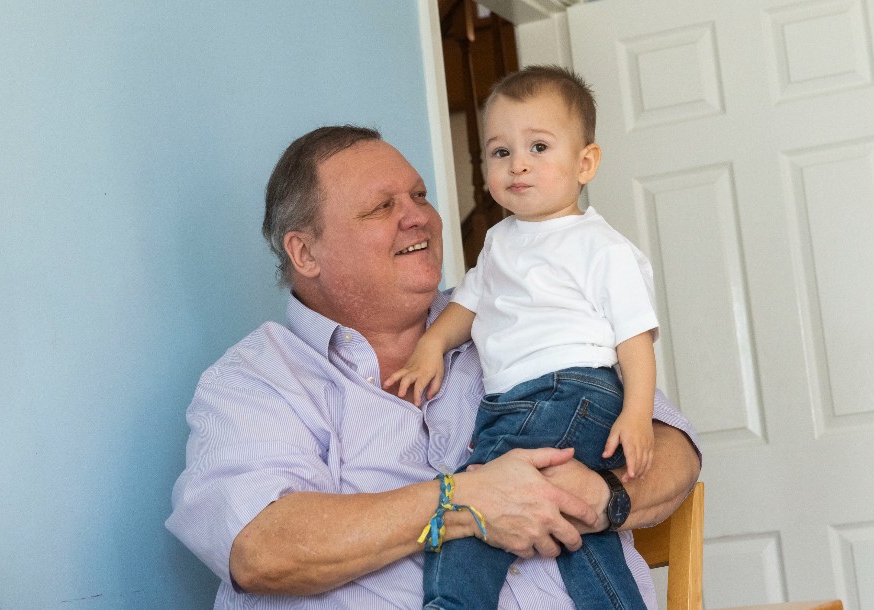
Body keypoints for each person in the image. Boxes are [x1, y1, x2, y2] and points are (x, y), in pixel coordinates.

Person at [165, 124, 702, 610]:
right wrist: (464, 498)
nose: (418, 215)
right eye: (381, 207)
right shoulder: (255, 381)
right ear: (305, 253)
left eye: (419, 195)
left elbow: (674, 449)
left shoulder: (514, 310)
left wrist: (603, 495)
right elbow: (261, 549)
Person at [385, 65, 658, 610]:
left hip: (570, 391)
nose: (519, 165)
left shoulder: (599, 246)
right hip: (515, 402)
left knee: (473, 501)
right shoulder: (499, 240)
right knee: (574, 523)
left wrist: (637, 412)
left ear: (585, 163)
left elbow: (635, 338)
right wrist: (431, 346)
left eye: (538, 146)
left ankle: (453, 602)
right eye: (500, 152)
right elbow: (468, 302)